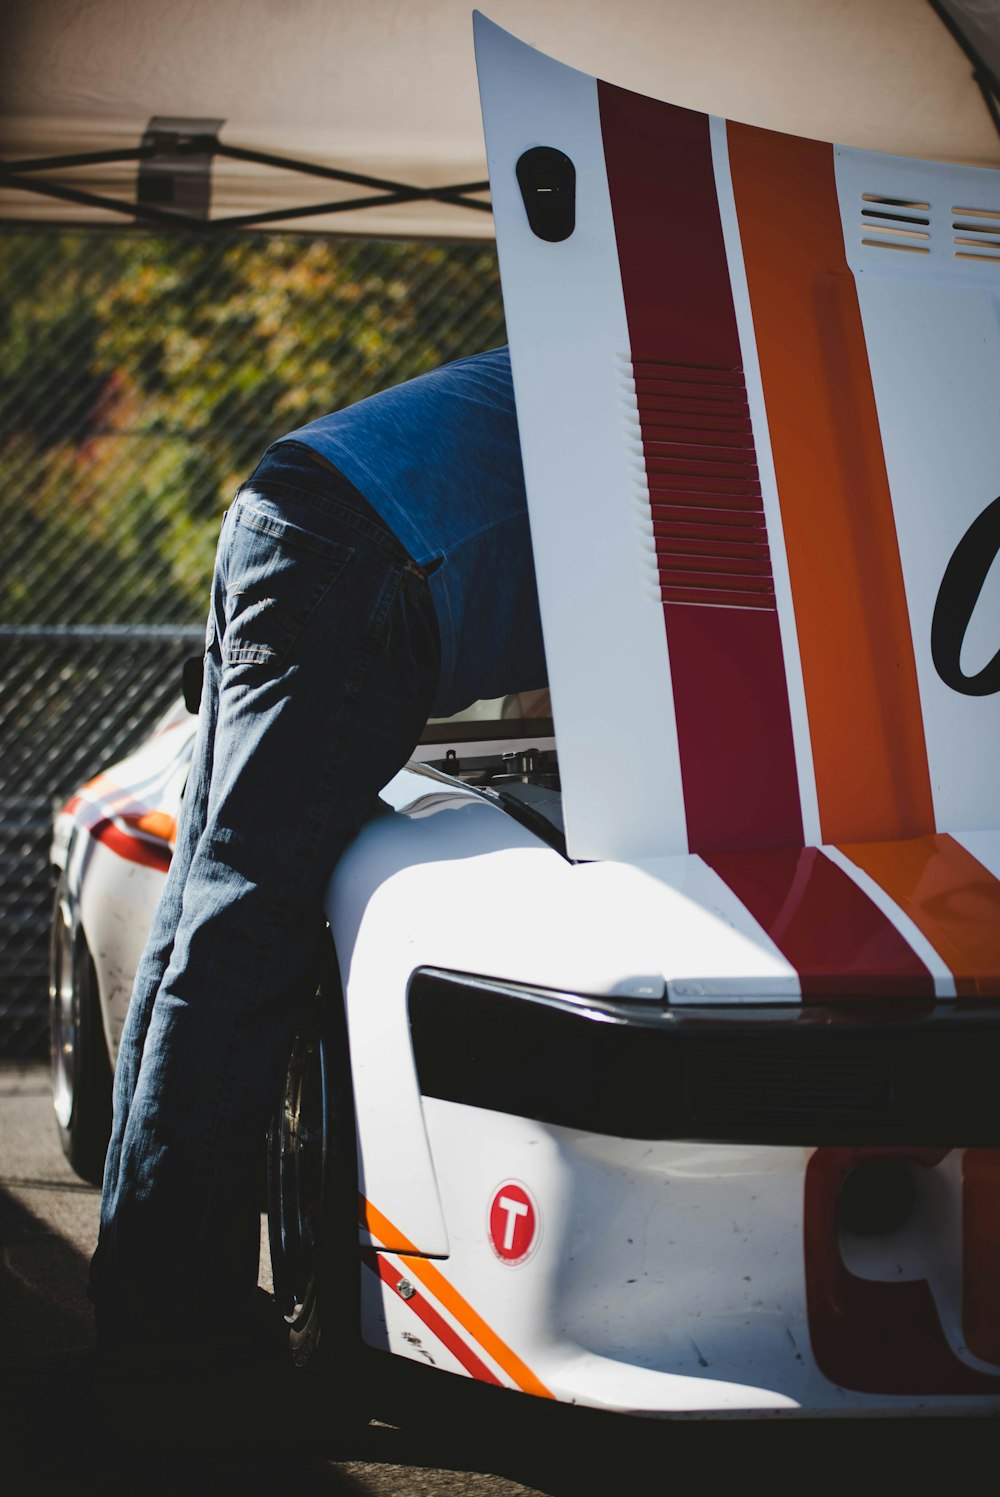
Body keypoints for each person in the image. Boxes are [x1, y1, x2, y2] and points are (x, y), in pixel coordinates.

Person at [90, 345, 547, 1365]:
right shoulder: (731, 426)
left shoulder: (628, 337)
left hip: (297, 507)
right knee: (248, 931)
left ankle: (141, 1288)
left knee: (203, 923)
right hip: (362, 552)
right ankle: (176, 1326)